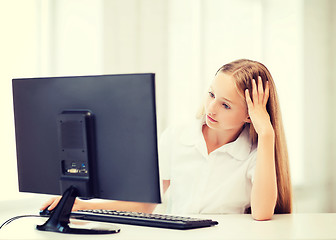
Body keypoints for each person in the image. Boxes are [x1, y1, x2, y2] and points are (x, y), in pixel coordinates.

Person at [41, 59, 292, 221]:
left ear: (251, 115)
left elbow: (262, 213)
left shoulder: (253, 152)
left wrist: (267, 134)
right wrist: (80, 207)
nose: (211, 109)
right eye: (211, 94)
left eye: (225, 105)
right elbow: (144, 205)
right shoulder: (178, 136)